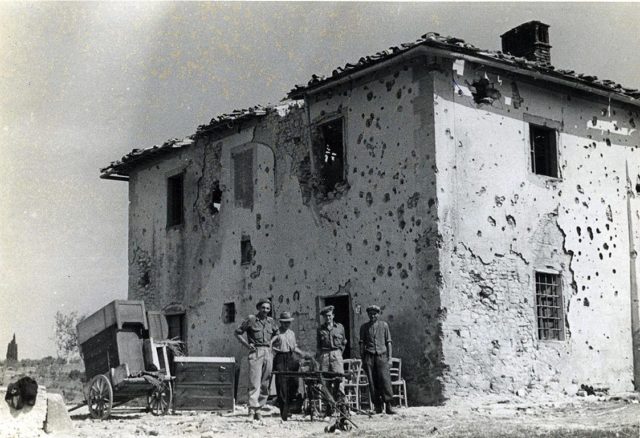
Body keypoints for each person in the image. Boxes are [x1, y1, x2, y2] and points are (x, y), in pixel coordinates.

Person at [235, 298, 278, 421]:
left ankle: (259, 410)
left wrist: (271, 342)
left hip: (268, 353)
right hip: (256, 352)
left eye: (268, 308)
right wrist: (247, 345)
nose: (265, 310)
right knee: (254, 383)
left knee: (265, 383)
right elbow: (237, 333)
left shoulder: (271, 321)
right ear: (258, 308)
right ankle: (251, 410)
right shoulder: (251, 319)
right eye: (263, 308)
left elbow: (277, 333)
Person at [271, 311, 311, 421]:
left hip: (290, 357)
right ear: (281, 322)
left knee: (293, 383)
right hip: (280, 358)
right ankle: (284, 412)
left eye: (288, 322)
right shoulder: (277, 333)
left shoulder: (292, 333)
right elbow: (269, 344)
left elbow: (294, 348)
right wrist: (275, 350)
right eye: (284, 322)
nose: (286, 324)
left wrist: (303, 354)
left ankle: (290, 406)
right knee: (281, 385)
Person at [359, 304, 396, 415]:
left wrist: (389, 358)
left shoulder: (384, 325)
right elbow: (361, 344)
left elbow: (388, 342)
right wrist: (363, 359)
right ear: (368, 315)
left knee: (385, 381)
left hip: (381, 356)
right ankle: (377, 406)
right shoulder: (364, 327)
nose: (372, 316)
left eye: (375, 314)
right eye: (370, 314)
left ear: (378, 314)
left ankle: (389, 405)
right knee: (372, 381)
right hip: (369, 357)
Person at [316, 305, 347, 408]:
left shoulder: (340, 327)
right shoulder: (320, 329)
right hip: (324, 355)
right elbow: (319, 346)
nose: (328, 318)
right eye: (325, 316)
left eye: (329, 316)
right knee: (326, 382)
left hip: (336, 354)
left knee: (339, 380)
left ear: (333, 316)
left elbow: (344, 342)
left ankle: (342, 407)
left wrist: (338, 353)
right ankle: (329, 408)